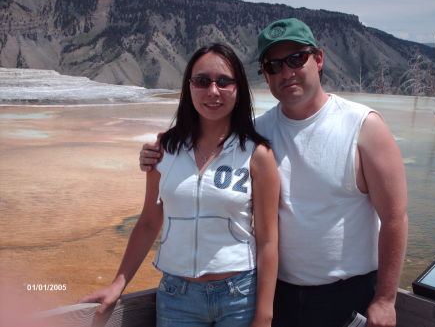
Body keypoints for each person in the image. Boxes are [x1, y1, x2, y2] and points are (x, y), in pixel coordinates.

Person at [139, 18, 408, 327]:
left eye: (296, 58)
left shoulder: (363, 127)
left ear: (318, 59)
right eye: (273, 65)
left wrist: (386, 299)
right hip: (278, 294)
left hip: (348, 295)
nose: (286, 72)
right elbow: (204, 147)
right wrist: (157, 150)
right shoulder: (258, 133)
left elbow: (395, 217)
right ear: (264, 74)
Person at [81, 43, 280, 327]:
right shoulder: (165, 149)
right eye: (202, 81)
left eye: (224, 81)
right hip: (178, 298)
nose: (213, 91)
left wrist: (264, 314)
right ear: (189, 87)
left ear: (239, 89)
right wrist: (117, 284)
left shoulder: (258, 155)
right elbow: (149, 222)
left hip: (239, 296)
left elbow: (268, 240)